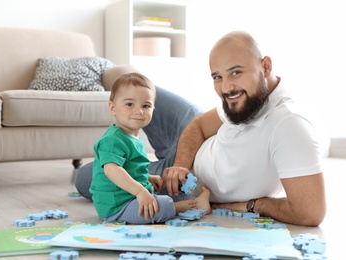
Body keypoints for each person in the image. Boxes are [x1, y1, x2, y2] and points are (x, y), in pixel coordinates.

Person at [76, 31, 326, 227]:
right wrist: (181, 165)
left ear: (267, 66)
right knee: (134, 84)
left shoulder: (289, 124)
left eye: (236, 73)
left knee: (87, 179)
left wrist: (251, 204)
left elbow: (310, 212)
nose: (226, 88)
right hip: (188, 142)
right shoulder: (241, 97)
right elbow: (198, 126)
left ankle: (136, 158)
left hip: (184, 186)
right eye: (217, 77)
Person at [88, 72, 211, 224]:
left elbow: (130, 169)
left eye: (146, 106)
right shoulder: (113, 139)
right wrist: (140, 191)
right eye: (129, 104)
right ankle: (192, 205)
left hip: (129, 197)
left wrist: (147, 178)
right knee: (161, 205)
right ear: (113, 108)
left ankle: (183, 201)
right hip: (117, 207)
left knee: (165, 193)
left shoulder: (134, 139)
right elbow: (112, 170)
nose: (139, 111)